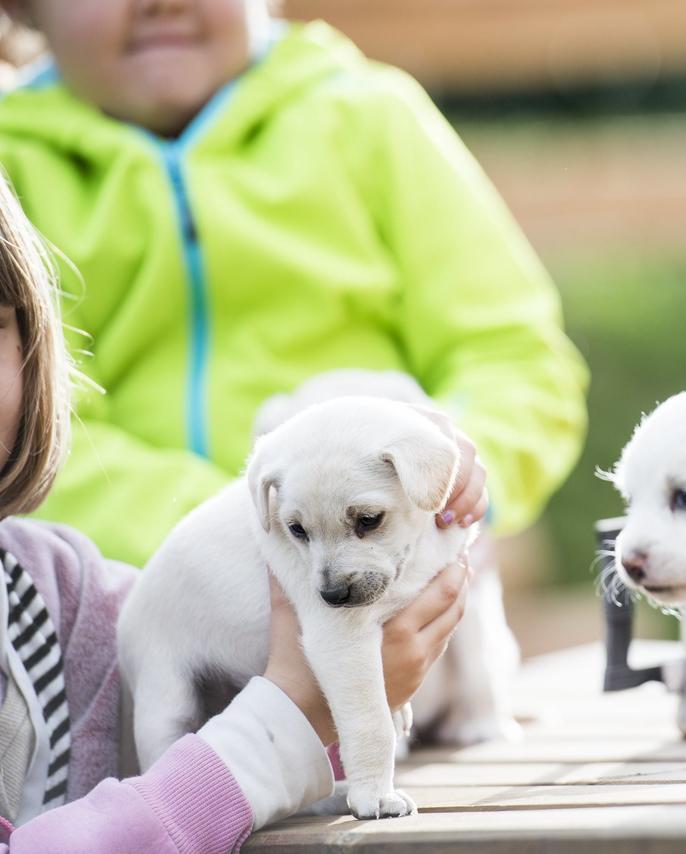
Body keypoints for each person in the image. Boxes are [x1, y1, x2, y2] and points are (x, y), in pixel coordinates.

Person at [0, 0, 588, 568]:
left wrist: (449, 479)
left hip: (375, 566)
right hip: (127, 601)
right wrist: (243, 533)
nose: (163, 3)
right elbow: (26, 428)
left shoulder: (370, 118)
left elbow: (513, 357)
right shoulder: (12, 166)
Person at [0, 173, 470, 848]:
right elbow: (246, 744)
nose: (328, 572)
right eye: (300, 533)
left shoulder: (67, 596)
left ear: (34, 347)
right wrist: (287, 721)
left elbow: (251, 733)